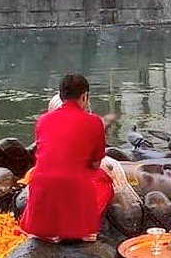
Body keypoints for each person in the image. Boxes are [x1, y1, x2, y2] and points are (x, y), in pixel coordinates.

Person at [20, 74, 114, 242]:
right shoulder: (94, 122)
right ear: (85, 96)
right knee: (103, 180)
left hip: (41, 190)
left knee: (47, 176)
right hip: (73, 189)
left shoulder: (42, 120)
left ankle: (47, 230)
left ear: (60, 95)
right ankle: (79, 230)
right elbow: (95, 164)